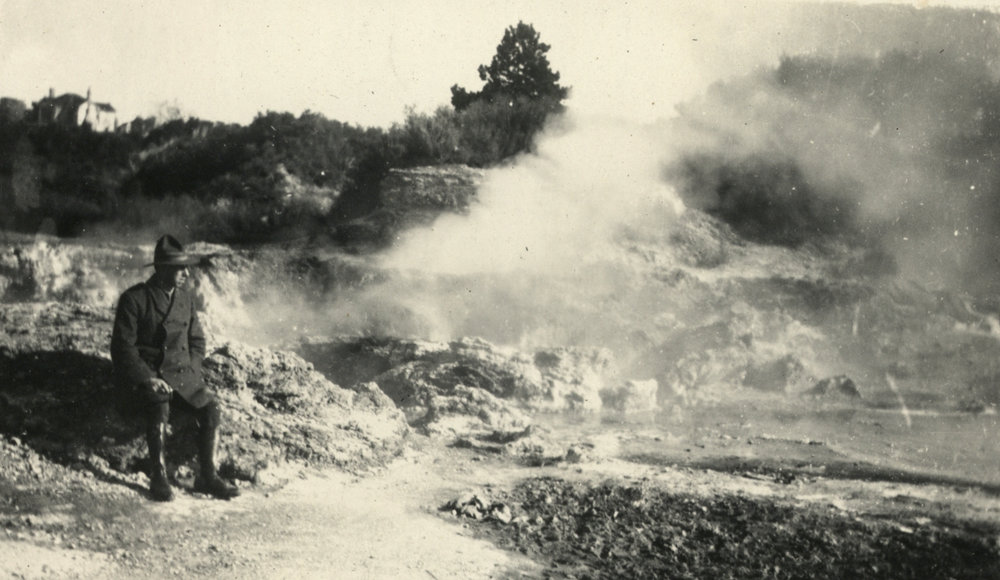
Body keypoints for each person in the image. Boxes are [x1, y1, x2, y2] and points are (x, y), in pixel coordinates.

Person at [110, 234, 239, 502]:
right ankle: (158, 476)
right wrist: (147, 378)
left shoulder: (185, 299)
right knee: (159, 402)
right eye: (179, 268)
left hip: (180, 375)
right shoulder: (135, 299)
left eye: (186, 267)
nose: (186, 273)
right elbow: (123, 348)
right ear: (161, 269)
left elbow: (197, 341)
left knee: (210, 407)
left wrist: (191, 372)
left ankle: (207, 476)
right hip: (147, 379)